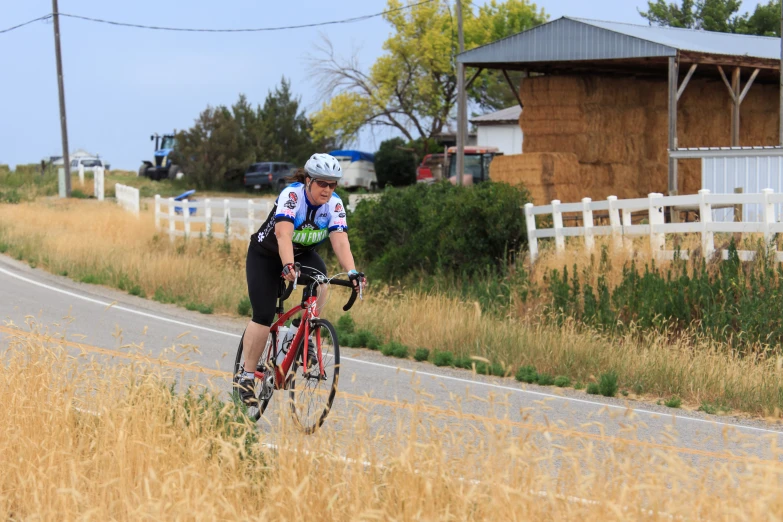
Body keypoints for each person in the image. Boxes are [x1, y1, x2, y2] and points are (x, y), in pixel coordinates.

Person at [236, 153, 366, 405]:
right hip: (266, 255)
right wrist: (286, 266)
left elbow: (340, 240)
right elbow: (283, 235)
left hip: (302, 255)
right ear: (308, 181)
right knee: (263, 316)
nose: (327, 190)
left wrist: (351, 271)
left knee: (322, 284)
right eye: (322, 183)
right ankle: (247, 375)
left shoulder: (334, 205)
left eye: (333, 184)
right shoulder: (292, 196)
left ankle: (301, 336)